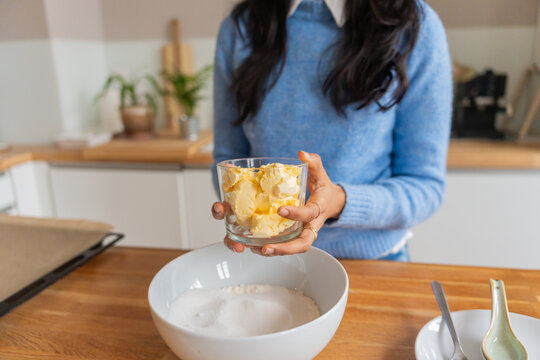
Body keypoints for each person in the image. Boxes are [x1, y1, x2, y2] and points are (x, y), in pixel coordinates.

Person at [210, 0, 452, 261]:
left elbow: (424, 186)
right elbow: (227, 159)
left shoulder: (414, 25)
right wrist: (243, 215)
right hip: (269, 261)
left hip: (372, 264)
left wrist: (339, 201)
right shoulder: (241, 27)